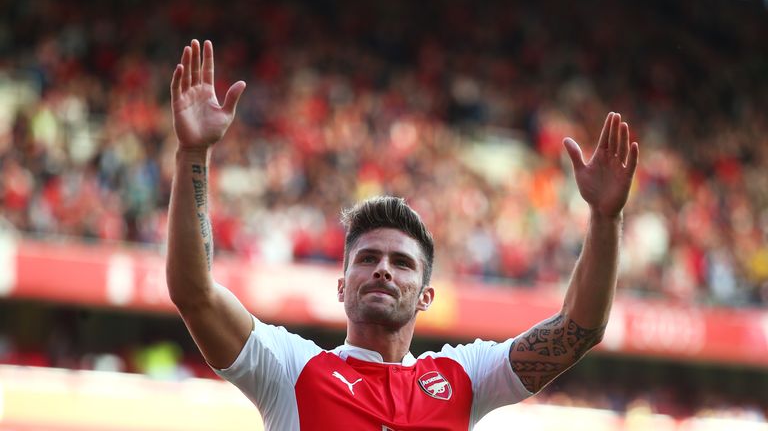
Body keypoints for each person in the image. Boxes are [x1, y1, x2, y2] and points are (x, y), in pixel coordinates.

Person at [166, 39, 640, 430]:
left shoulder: (464, 378)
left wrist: (605, 219)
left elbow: (579, 331)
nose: (383, 270)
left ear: (426, 296)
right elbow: (194, 292)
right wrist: (193, 152)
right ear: (341, 285)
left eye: (402, 263)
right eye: (367, 258)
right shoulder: (290, 371)